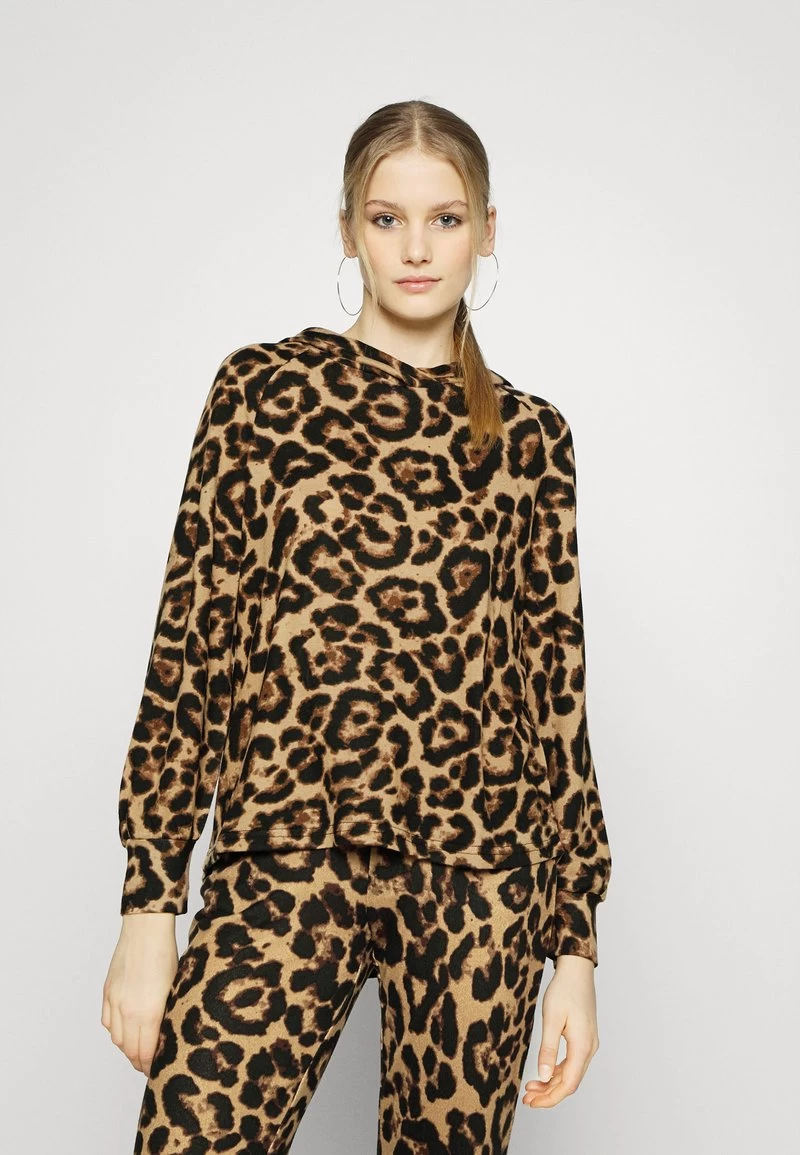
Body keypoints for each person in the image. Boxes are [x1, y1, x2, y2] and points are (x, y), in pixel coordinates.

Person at [101, 98, 612, 1153]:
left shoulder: (530, 440)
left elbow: (552, 692)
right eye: (387, 219)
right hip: (287, 844)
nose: (416, 248)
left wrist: (574, 948)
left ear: (485, 230)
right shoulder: (262, 394)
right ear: (348, 229)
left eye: (444, 219)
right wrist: (150, 906)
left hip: (480, 876)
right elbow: (192, 646)